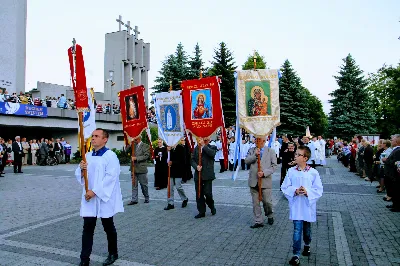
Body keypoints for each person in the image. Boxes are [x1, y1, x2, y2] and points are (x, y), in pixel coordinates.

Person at [75, 128, 124, 266]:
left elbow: (111, 177)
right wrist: (81, 168)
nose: (93, 138)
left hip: (103, 198)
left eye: (97, 136)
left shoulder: (111, 156)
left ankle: (113, 253)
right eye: (93, 136)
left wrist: (95, 191)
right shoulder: (88, 156)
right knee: (88, 228)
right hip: (90, 199)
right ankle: (84, 259)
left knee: (108, 227)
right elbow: (81, 175)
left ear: (105, 139)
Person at [281, 145, 323, 266]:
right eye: (296, 154)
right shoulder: (291, 171)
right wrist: (294, 191)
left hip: (307, 205)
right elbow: (284, 187)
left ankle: (307, 244)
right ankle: (296, 255)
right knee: (297, 229)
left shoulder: (313, 173)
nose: (295, 156)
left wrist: (307, 192)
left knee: (307, 230)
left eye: (298, 154)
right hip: (296, 206)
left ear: (305, 158)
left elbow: (318, 189)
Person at [245, 138, 277, 228]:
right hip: (253, 181)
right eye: (256, 140)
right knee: (255, 203)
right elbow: (246, 161)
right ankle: (258, 221)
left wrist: (264, 173)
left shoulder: (270, 151)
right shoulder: (251, 150)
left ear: (264, 141)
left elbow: (274, 166)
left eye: (259, 140)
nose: (256, 142)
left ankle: (269, 214)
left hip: (265, 181)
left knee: (267, 202)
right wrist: (255, 155)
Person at [191, 137, 217, 218]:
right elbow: (192, 160)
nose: (204, 140)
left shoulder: (212, 147)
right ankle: (201, 211)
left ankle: (211, 206)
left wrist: (203, 146)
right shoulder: (196, 148)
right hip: (198, 175)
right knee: (199, 194)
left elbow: (212, 154)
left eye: (206, 139)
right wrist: (196, 166)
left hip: (208, 175)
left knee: (208, 193)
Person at [164, 141, 189, 210]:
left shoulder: (181, 148)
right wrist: (167, 151)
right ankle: (170, 203)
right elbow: (165, 158)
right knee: (170, 187)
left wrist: (173, 162)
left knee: (178, 186)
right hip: (170, 171)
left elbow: (183, 160)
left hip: (178, 171)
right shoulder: (169, 148)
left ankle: (184, 199)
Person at [126, 136, 150, 205]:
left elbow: (146, 156)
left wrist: (136, 158)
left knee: (143, 185)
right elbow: (126, 151)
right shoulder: (133, 145)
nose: (134, 139)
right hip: (133, 168)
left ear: (139, 138)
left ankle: (146, 197)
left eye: (135, 138)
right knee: (134, 185)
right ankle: (134, 199)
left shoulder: (145, 146)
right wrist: (130, 144)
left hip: (141, 168)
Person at [384, 134, 400, 212]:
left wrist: (386, 160)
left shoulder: (398, 150)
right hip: (391, 174)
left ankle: (397, 206)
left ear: (397, 141)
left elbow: (395, 162)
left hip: (394, 174)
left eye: (392, 140)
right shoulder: (395, 149)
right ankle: (394, 204)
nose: (391, 141)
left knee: (396, 190)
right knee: (393, 190)